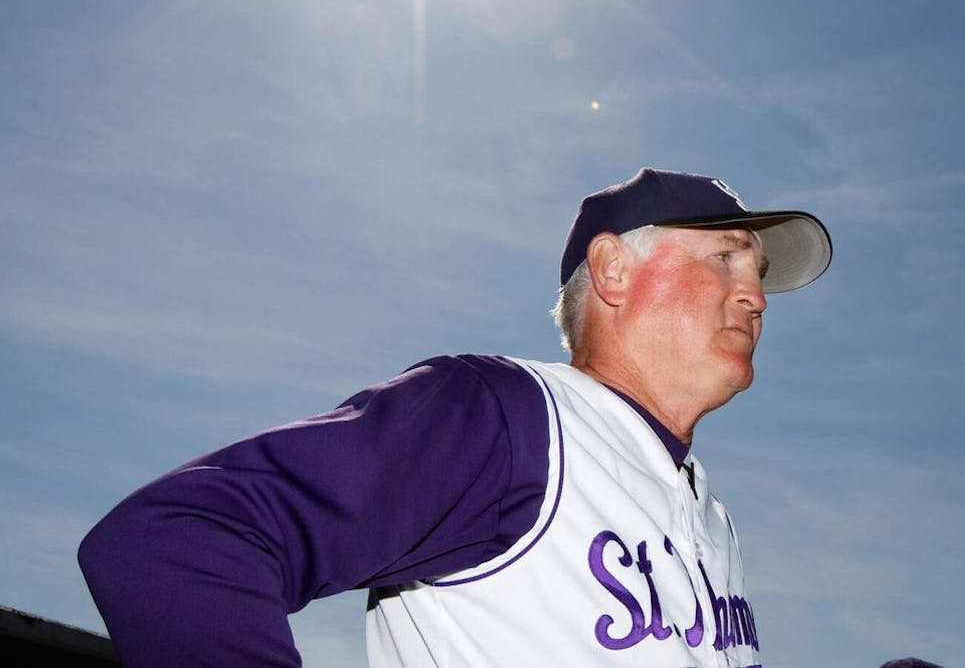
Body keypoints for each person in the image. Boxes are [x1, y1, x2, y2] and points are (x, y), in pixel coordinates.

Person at [78, 167, 832, 667]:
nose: (755, 295)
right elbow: (179, 540)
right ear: (612, 270)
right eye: (726, 258)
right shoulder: (506, 419)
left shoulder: (715, 522)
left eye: (759, 274)